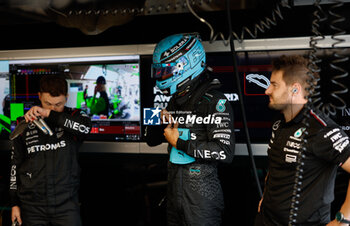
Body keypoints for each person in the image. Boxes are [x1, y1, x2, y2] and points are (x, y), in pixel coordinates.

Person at [145, 33, 235, 226]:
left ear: (186, 64)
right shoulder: (174, 100)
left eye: (165, 71)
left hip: (202, 202)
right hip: (174, 197)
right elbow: (151, 140)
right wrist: (157, 121)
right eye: (159, 72)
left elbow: (224, 152)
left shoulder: (215, 101)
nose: (161, 77)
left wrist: (179, 142)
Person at [255, 55, 350, 225]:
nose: (267, 90)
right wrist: (266, 198)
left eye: (274, 85)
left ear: (295, 89)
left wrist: (343, 219)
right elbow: (277, 166)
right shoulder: (279, 123)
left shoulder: (321, 129)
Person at [9, 74, 92, 226]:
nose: (53, 108)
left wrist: (48, 113)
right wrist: (14, 203)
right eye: (48, 104)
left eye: (58, 104)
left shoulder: (75, 115)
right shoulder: (24, 123)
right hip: (32, 207)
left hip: (66, 206)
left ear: (66, 97)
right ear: (39, 96)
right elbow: (15, 166)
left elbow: (85, 128)